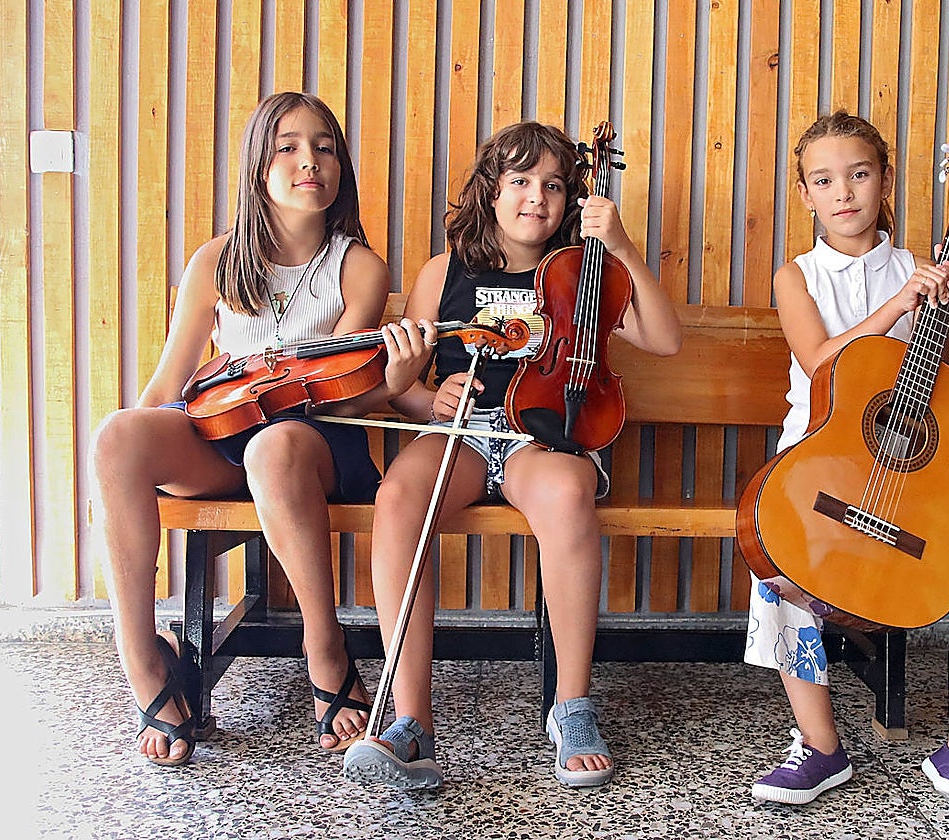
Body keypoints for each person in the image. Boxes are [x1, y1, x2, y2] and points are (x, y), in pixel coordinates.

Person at [90, 91, 436, 766]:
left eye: (325, 147)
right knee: (115, 436)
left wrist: (396, 378)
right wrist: (124, 462)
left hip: (314, 441)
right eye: (288, 147)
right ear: (258, 165)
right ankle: (143, 664)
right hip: (222, 431)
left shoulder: (359, 266)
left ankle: (325, 649)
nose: (310, 161)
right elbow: (167, 386)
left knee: (275, 446)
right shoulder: (217, 260)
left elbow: (336, 391)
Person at [342, 121, 682, 790]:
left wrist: (621, 246)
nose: (537, 197)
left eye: (555, 185)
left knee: (564, 492)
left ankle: (572, 706)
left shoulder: (585, 276)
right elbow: (402, 385)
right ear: (490, 192)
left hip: (544, 432)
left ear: (573, 198)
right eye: (521, 181)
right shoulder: (444, 272)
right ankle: (411, 720)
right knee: (398, 498)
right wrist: (432, 399)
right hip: (463, 436)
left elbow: (665, 340)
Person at [744, 111, 949, 822]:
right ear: (805, 193)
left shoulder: (920, 267)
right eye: (824, 180)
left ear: (884, 182)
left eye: (860, 174)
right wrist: (893, 306)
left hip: (907, 464)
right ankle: (820, 745)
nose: (843, 191)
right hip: (817, 459)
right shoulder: (798, 276)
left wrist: (946, 300)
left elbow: (922, 385)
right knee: (778, 554)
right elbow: (820, 362)